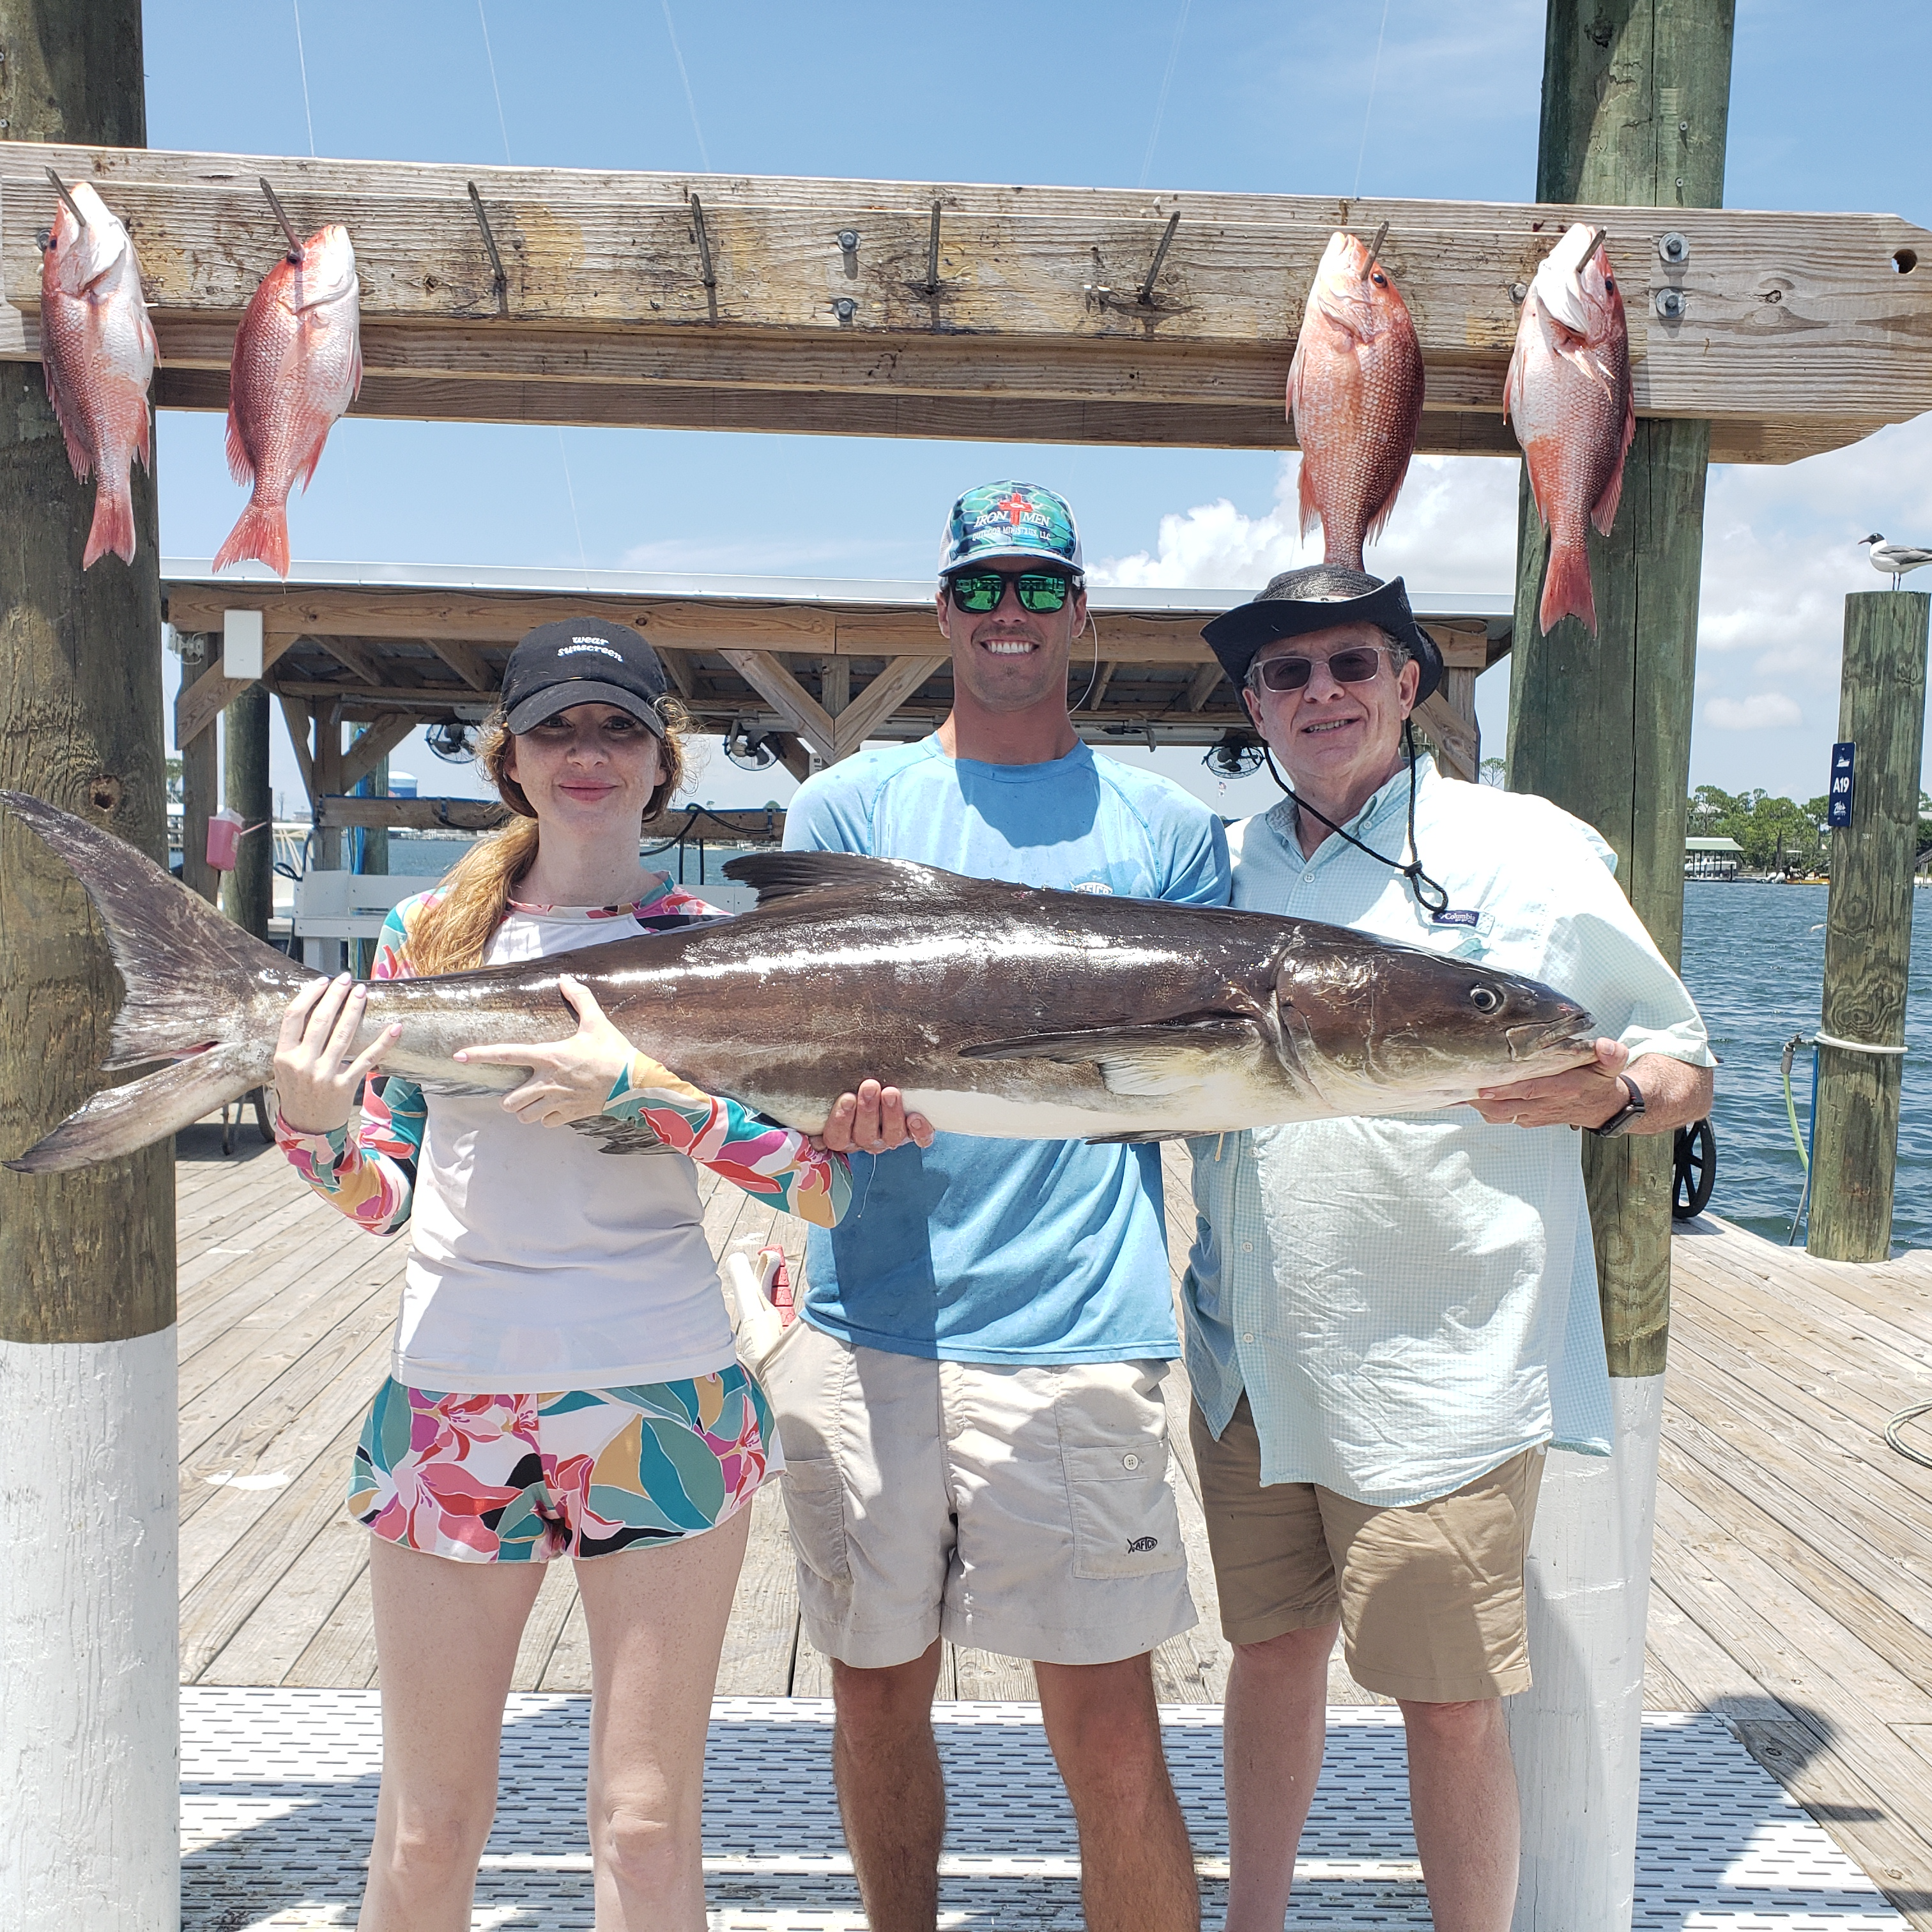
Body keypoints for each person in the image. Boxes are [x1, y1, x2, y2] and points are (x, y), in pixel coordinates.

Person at [268, 619, 854, 1931]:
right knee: (426, 1833)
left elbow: (816, 1181)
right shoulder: (434, 930)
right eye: (557, 728)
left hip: (663, 1410)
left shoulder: (708, 940)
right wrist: (310, 1122)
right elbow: (384, 1195)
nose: (587, 753)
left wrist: (646, 1093)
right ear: (511, 761)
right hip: (450, 1410)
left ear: (664, 763)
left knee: (646, 1833)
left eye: (618, 728)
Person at [1184, 565, 1715, 1932]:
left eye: (1353, 664)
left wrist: (1611, 1096)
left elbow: (1682, 1061)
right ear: (1255, 705)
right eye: (1286, 675)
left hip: (1442, 1368)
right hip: (1246, 1352)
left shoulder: (1528, 848)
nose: (1323, 694)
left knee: (1447, 1703)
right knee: (1268, 1653)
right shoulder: (1218, 870)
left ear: (1410, 684)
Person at [758, 480, 1230, 1932]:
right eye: (982, 588)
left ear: (1082, 610)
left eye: (1038, 587)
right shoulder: (844, 806)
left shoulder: (1166, 828)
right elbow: (761, 1056)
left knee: (1106, 1725)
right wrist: (816, 1120)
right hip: (866, 1321)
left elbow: (1206, 1089)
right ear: (943, 611)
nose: (1009, 615)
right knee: (876, 1695)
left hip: (1081, 1331)